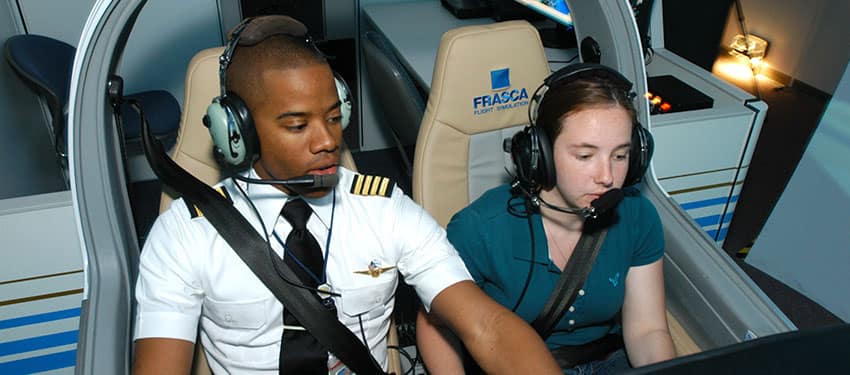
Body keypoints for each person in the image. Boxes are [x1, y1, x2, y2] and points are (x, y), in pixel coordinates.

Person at [132, 15, 560, 374]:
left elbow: (485, 325)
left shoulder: (385, 208)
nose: (327, 140)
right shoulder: (185, 235)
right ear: (238, 131)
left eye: (334, 117)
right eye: (297, 125)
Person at [416, 64, 676, 374]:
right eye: (585, 156)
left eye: (620, 156)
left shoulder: (637, 218)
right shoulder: (480, 227)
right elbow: (434, 322)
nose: (607, 177)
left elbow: (647, 330)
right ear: (540, 154)